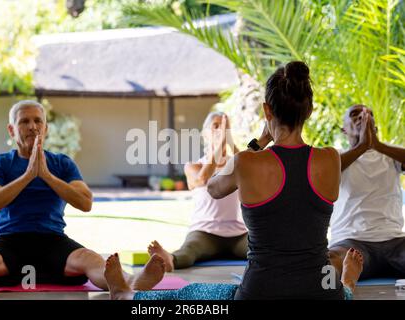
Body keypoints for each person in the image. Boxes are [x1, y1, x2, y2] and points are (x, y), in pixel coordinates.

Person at [104, 61, 363, 300]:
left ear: (267, 111)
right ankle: (348, 281)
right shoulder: (331, 159)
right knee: (342, 294)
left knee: (192, 295)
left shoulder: (247, 161)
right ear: (310, 110)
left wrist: (260, 141)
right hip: (321, 292)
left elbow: (214, 186)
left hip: (259, 293)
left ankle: (125, 296)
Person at [0, 100, 165, 300]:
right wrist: (27, 176)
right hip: (9, 241)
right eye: (24, 121)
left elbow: (85, 202)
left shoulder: (62, 164)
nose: (32, 126)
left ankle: (132, 281)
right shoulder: (0, 164)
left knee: (88, 257)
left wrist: (46, 175)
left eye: (38, 121)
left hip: (53, 240)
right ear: (11, 130)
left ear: (45, 129)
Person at [148, 112, 251, 272]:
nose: (220, 131)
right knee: (188, 252)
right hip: (205, 232)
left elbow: (250, 168)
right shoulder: (193, 166)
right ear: (205, 134)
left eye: (224, 127)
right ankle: (169, 259)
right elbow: (203, 179)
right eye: (215, 126)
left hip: (238, 234)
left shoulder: (237, 163)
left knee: (261, 249)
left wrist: (229, 143)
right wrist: (219, 147)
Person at [328, 104, 405, 279]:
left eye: (369, 114)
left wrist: (376, 145)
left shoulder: (390, 156)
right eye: (355, 114)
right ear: (344, 129)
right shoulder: (334, 156)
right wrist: (362, 147)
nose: (362, 117)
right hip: (350, 243)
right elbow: (325, 171)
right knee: (326, 268)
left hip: (395, 242)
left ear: (374, 126)